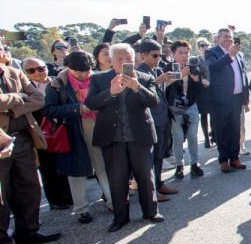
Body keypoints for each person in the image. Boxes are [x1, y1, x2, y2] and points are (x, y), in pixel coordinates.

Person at [86, 43, 165, 232]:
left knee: (146, 177)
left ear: (134, 58)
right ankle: (120, 217)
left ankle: (151, 212)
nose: (124, 62)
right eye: (119, 59)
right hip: (112, 139)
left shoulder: (145, 78)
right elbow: (90, 103)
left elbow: (154, 102)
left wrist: (138, 88)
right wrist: (111, 93)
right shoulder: (99, 79)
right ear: (111, 61)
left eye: (128, 58)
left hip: (140, 136)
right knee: (117, 180)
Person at [0, 61, 59, 244]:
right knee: (2, 193)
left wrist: (10, 107)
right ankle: (2, 242)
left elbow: (38, 99)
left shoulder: (14, 72)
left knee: (29, 186)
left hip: (23, 137)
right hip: (1, 142)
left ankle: (27, 231)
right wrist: (17, 98)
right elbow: (25, 99)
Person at [44, 50, 106, 224]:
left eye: (86, 70)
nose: (82, 74)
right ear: (68, 67)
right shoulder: (57, 84)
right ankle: (81, 209)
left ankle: (112, 201)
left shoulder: (99, 78)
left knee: (103, 166)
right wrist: (77, 109)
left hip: (99, 125)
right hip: (73, 128)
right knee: (76, 171)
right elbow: (49, 110)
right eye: (78, 71)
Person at [23, 57, 74, 210]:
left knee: (66, 161)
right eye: (31, 70)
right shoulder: (24, 89)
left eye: (41, 68)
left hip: (63, 128)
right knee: (47, 165)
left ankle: (70, 195)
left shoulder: (58, 82)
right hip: (40, 132)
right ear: (26, 73)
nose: (38, 72)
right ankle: (56, 200)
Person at [136, 39, 178, 202]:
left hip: (163, 117)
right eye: (154, 55)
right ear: (143, 55)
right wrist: (159, 81)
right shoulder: (139, 73)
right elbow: (142, 95)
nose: (158, 59)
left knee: (160, 155)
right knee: (151, 159)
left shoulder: (156, 69)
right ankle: (152, 191)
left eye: (160, 55)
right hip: (152, 120)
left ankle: (159, 184)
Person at [205, 28, 248, 173]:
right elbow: (212, 68)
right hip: (220, 100)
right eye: (225, 36)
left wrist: (245, 98)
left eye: (230, 36)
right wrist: (229, 55)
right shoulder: (212, 52)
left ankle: (234, 158)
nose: (228, 39)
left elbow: (243, 76)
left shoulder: (239, 55)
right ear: (218, 38)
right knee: (222, 130)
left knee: (235, 129)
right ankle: (223, 159)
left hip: (236, 98)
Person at [166, 40, 207, 178]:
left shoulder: (193, 66)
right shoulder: (168, 67)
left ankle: (195, 164)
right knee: (177, 138)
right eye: (180, 53)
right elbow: (165, 84)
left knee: (193, 137)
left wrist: (197, 80)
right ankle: (179, 165)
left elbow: (201, 89)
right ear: (173, 53)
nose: (184, 56)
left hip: (191, 106)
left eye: (186, 53)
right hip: (175, 108)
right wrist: (181, 73)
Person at [194, 38, 214, 148]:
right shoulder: (197, 60)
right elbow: (195, 73)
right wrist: (202, 81)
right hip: (202, 91)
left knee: (214, 114)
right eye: (202, 45)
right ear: (198, 47)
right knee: (204, 115)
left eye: (206, 44)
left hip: (213, 89)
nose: (205, 47)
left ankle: (213, 134)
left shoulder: (212, 58)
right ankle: (206, 138)